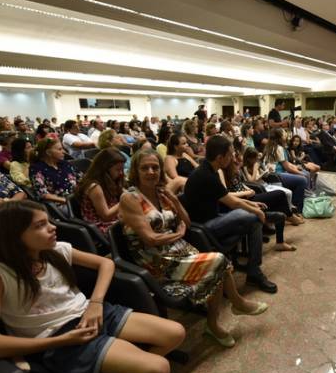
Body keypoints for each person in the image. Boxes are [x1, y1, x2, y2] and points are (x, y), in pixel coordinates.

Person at [0, 200, 185, 373]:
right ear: (14, 236)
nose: (53, 227)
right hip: (60, 339)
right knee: (159, 370)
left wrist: (95, 303)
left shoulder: (55, 250)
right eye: (40, 225)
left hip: (91, 313)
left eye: (48, 221)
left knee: (176, 333)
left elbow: (106, 264)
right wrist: (60, 341)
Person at [120, 149, 268, 347]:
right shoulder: (130, 198)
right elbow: (151, 238)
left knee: (218, 267)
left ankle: (214, 323)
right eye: (144, 168)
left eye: (155, 167)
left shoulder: (162, 193)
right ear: (135, 171)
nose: (150, 172)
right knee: (218, 261)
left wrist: (174, 201)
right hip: (157, 262)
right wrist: (177, 235)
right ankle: (236, 304)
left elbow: (187, 222)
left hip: (179, 251)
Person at [184, 136, 277, 293]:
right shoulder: (206, 175)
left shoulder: (209, 169)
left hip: (213, 218)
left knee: (253, 221)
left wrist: (253, 204)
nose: (233, 158)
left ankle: (253, 271)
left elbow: (227, 197)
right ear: (220, 158)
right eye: (230, 155)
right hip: (203, 228)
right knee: (253, 217)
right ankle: (254, 271)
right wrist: (256, 211)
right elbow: (233, 203)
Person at [75, 148, 125, 233]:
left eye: (122, 169)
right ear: (105, 169)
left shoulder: (111, 180)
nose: (121, 173)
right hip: (102, 227)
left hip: (114, 221)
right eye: (118, 170)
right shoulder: (94, 187)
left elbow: (123, 193)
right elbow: (106, 216)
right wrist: (125, 200)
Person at [29, 138, 81, 211]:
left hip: (76, 199)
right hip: (59, 205)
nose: (64, 152)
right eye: (60, 149)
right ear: (48, 152)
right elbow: (43, 194)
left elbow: (82, 180)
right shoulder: (36, 169)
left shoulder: (65, 164)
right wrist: (67, 201)